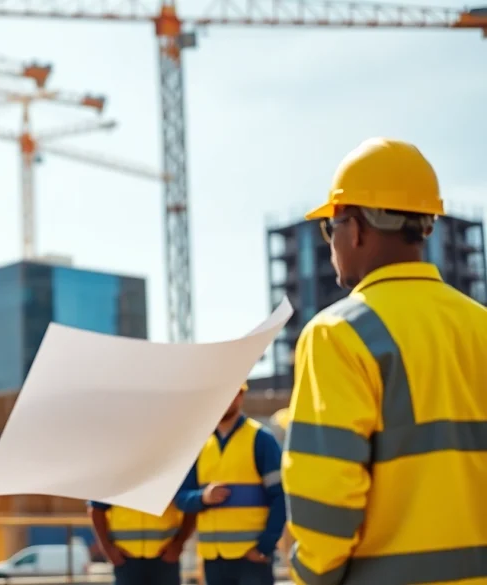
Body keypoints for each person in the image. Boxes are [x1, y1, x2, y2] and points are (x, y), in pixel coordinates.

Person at [282, 137, 487, 584]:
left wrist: (310, 574)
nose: (331, 243)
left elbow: (326, 502)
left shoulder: (339, 334)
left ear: (354, 228)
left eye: (329, 229)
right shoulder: (480, 325)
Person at [174, 382, 285, 585]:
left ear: (240, 397)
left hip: (251, 558)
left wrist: (264, 547)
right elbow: (181, 498)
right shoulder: (199, 444)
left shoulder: (261, 439)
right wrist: (203, 497)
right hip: (213, 558)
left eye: (231, 394)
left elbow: (281, 496)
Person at [87, 499, 195, 585]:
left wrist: (179, 543)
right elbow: (96, 509)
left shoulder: (170, 472)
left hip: (165, 557)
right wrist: (107, 548)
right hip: (125, 559)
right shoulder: (113, 474)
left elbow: (190, 504)